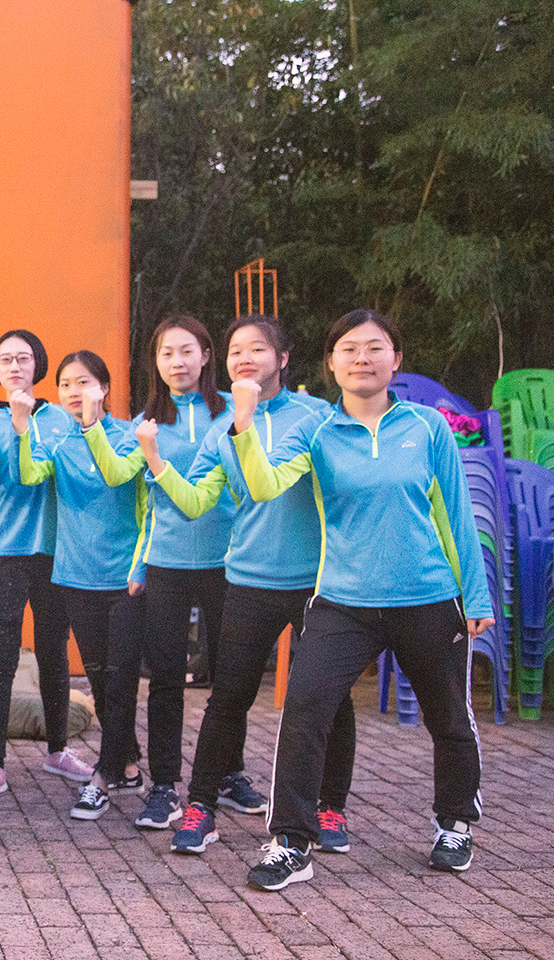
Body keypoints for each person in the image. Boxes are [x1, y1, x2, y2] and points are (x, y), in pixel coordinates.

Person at [229, 309, 492, 891]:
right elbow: (264, 485)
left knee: (450, 717)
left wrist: (475, 595)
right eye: (348, 349)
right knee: (304, 711)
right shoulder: (317, 430)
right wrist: (243, 426)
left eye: (375, 347)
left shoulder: (427, 427)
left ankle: (454, 825)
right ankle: (291, 842)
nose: (362, 358)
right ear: (331, 363)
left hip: (428, 596)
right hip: (343, 601)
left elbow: (456, 514)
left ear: (396, 359)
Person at [120, 317, 356, 856]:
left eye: (258, 349)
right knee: (228, 698)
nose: (245, 358)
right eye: (236, 351)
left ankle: (329, 808)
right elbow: (195, 502)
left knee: (330, 698)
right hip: (247, 578)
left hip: (317, 582)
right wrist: (155, 461)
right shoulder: (219, 428)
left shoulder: (318, 418)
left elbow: (334, 487)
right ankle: (202, 806)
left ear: (283, 358)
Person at [83, 314, 237, 830]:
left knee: (230, 679)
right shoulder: (145, 422)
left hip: (229, 562)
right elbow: (116, 474)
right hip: (166, 563)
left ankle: (228, 773)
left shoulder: (233, 412)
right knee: (166, 680)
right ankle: (166, 785)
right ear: (156, 363)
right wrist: (92, 423)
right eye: (166, 353)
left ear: (206, 355)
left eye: (187, 350)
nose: (177, 362)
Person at [13, 350, 147, 821]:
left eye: (84, 382)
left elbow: (120, 476)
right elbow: (29, 474)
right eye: (66, 384)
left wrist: (92, 428)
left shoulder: (130, 435)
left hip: (124, 577)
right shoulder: (58, 440)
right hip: (75, 575)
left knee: (121, 678)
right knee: (99, 678)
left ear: (105, 388)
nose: (74, 392)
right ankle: (127, 765)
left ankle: (103, 777)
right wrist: (23, 428)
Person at [0, 330, 89, 802]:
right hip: (4, 554)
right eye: (5, 359)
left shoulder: (60, 417)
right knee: (2, 656)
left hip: (56, 552)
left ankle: (57, 750)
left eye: (24, 358)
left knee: (54, 652)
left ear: (38, 365)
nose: (15, 366)